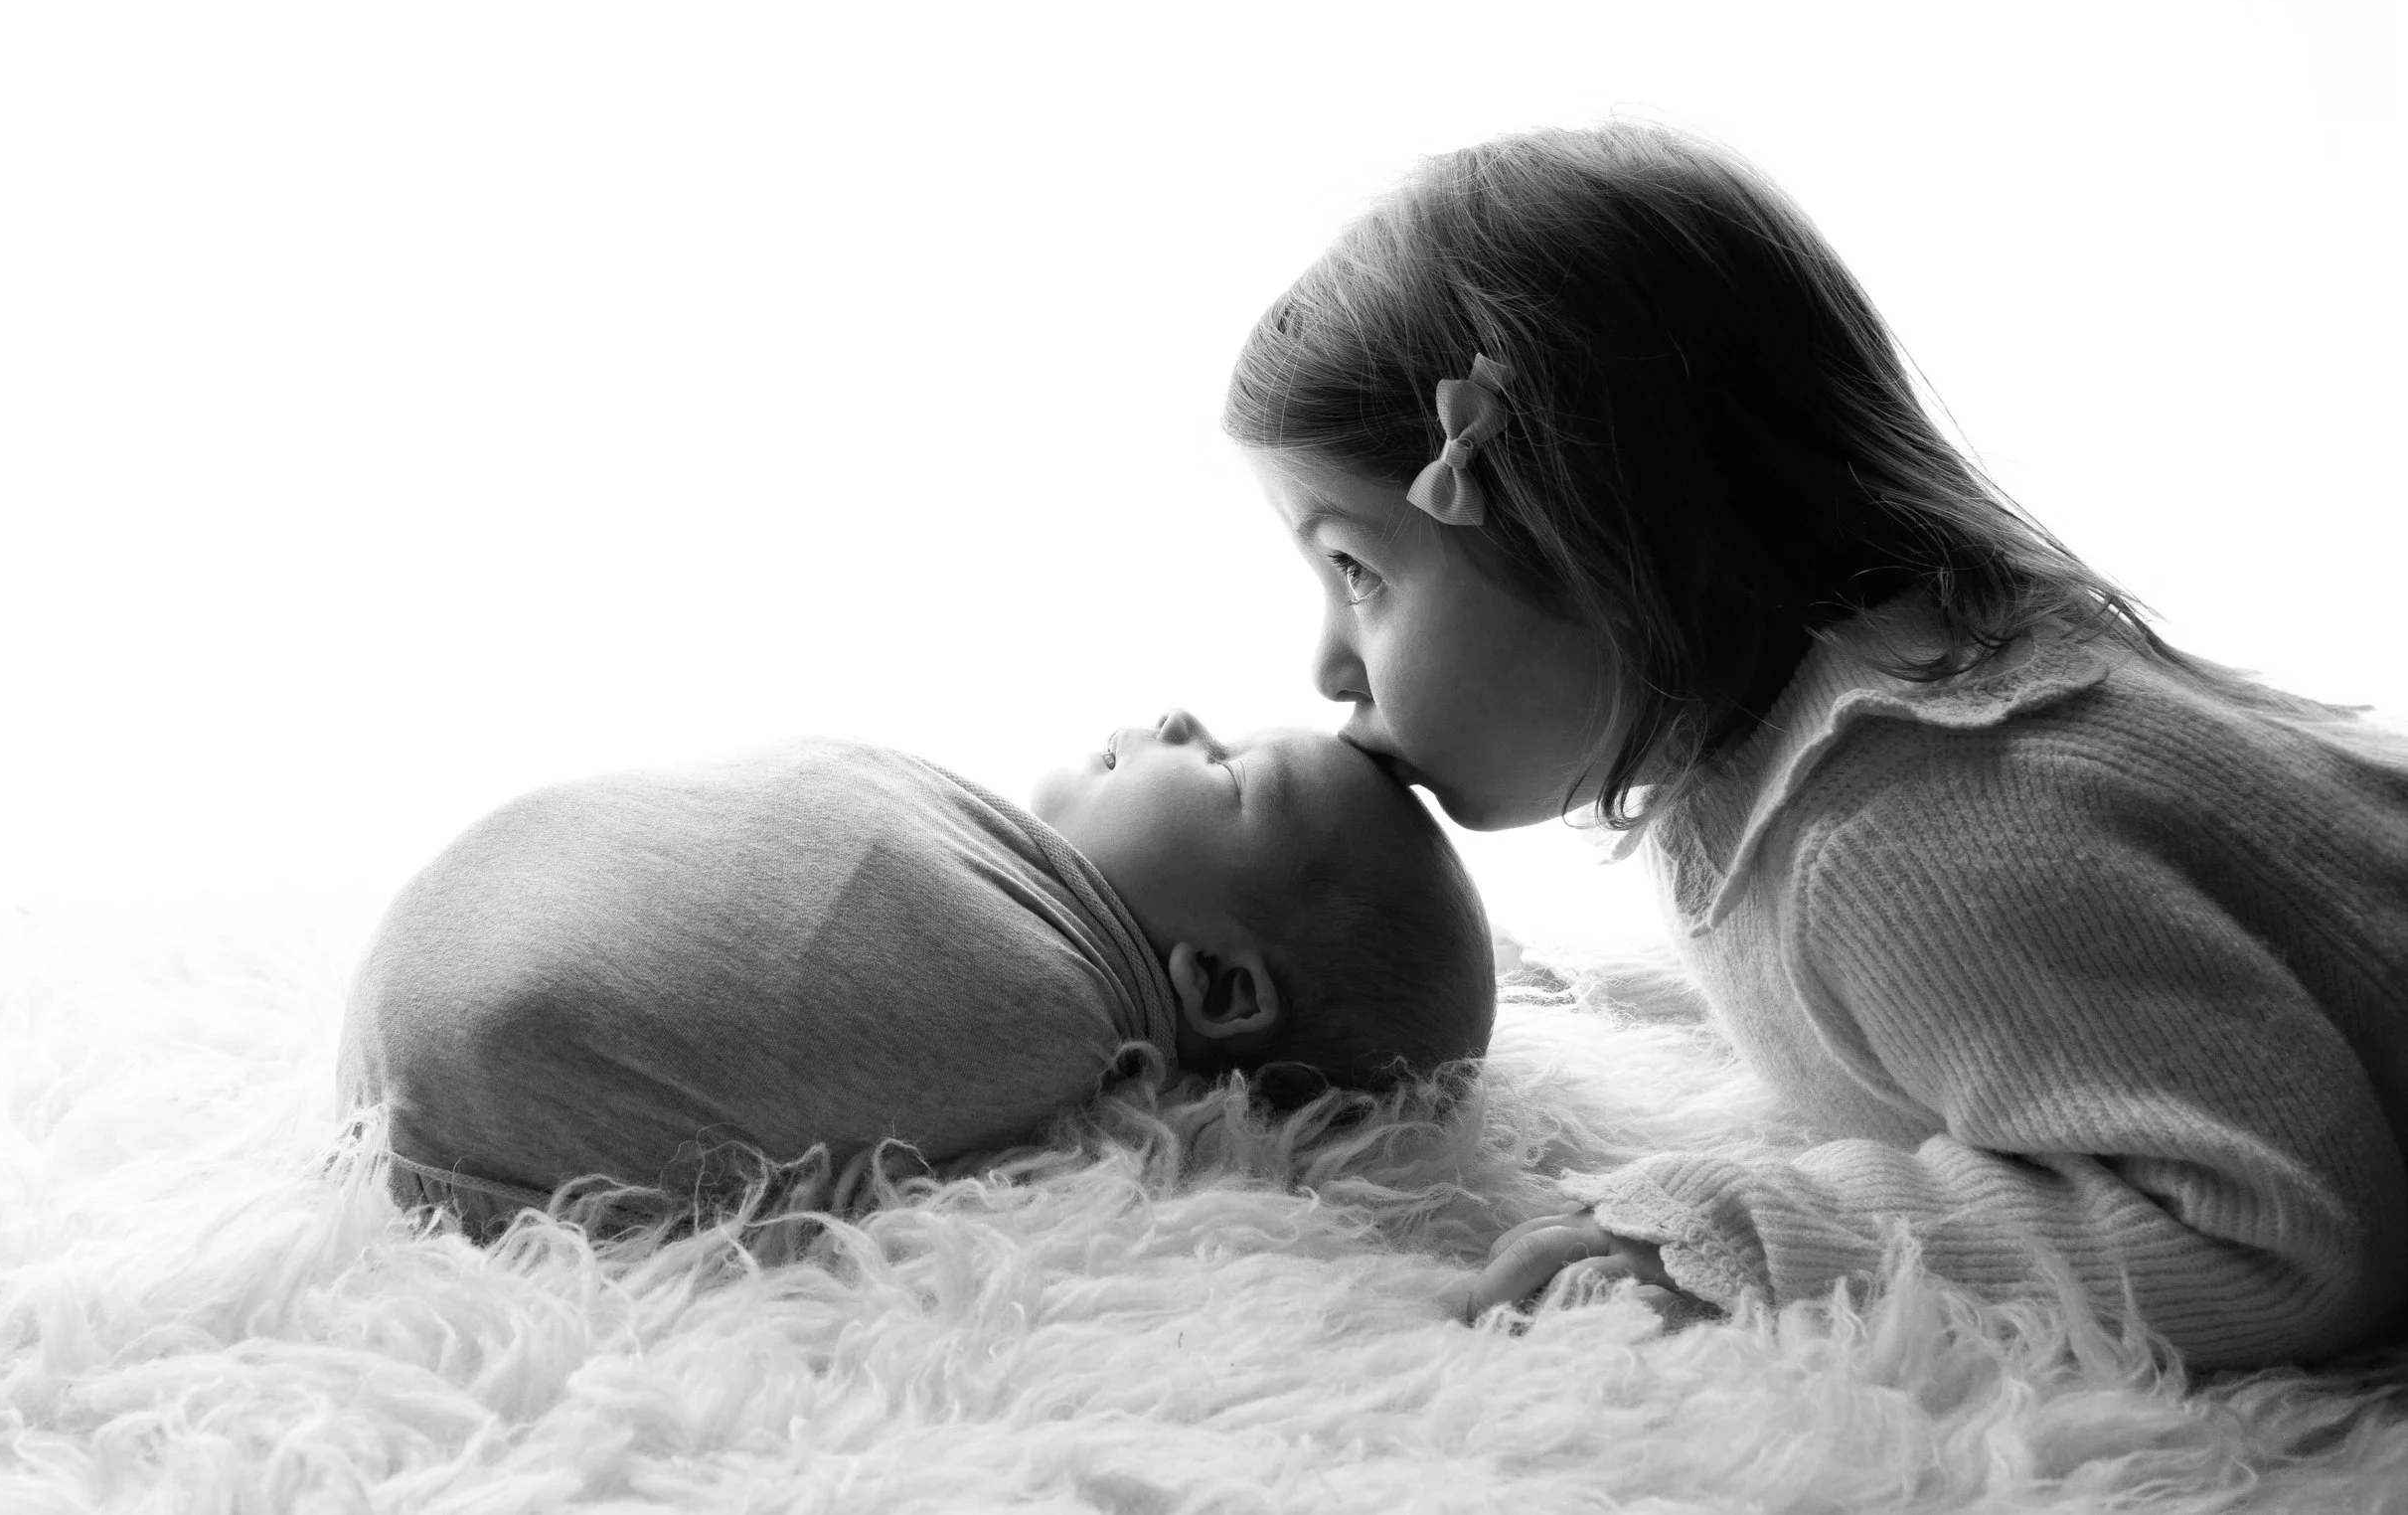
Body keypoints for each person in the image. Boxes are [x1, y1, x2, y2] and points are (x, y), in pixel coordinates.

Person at [1222, 120, 2408, 1368]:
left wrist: (1771, 1234)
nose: (1327, 665)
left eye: (1354, 570)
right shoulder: (1789, 769)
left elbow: (2276, 1239)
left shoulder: (1914, 832)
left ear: (1591, 529)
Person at [337, 715, 1495, 1239]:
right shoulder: (995, 863)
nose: (1188, 718)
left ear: (1222, 991)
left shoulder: (1039, 1009)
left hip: (476, 1076)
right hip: (460, 976)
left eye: (1231, 774)